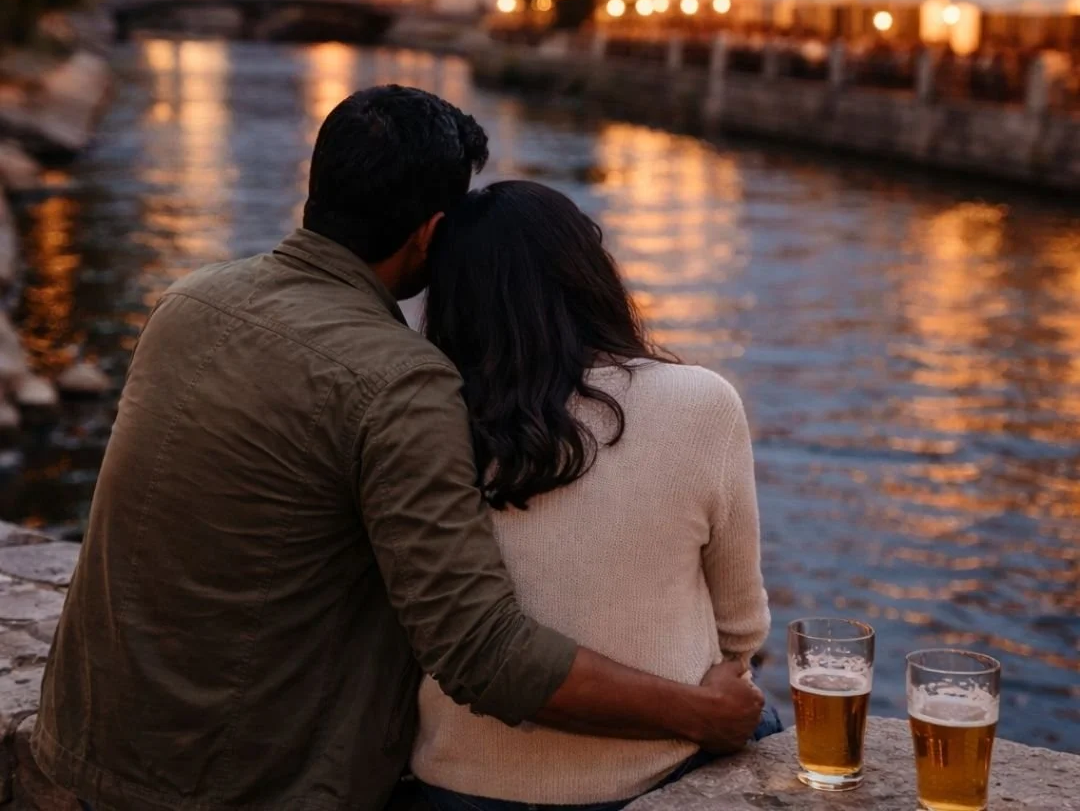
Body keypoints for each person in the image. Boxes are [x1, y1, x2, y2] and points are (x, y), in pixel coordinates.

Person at [32, 87, 765, 811]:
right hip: (238, 779)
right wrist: (702, 714)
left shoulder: (188, 302)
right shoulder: (398, 379)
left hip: (96, 735)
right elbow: (481, 649)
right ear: (429, 233)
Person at [415, 180, 776, 811]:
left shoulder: (426, 421)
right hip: (655, 774)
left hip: (458, 783)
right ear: (589, 274)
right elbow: (742, 631)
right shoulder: (699, 402)